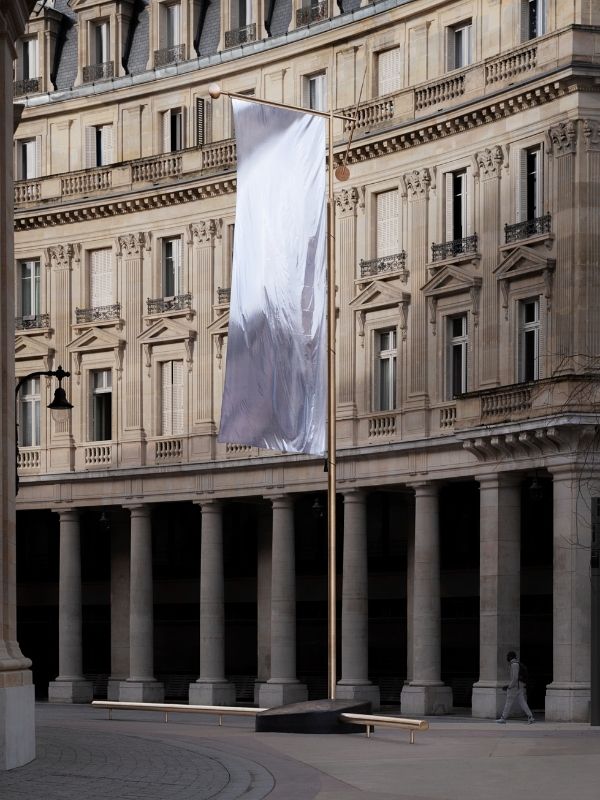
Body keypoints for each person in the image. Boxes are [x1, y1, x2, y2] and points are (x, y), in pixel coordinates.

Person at [496, 650, 535, 724]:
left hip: (515, 687)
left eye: (508, 656)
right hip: (519, 686)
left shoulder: (514, 664)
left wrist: (509, 686)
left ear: (510, 657)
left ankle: (503, 718)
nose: (507, 657)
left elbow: (515, 678)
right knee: (522, 702)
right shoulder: (516, 663)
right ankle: (530, 717)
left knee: (508, 702)